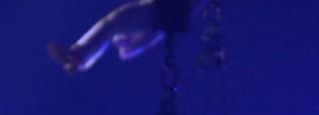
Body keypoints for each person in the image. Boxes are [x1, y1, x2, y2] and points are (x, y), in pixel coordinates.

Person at [47, 0, 207, 75]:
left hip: (167, 11)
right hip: (170, 18)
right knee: (124, 44)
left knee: (114, 23)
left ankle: (79, 55)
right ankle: (82, 56)